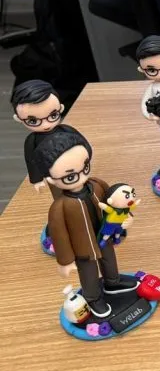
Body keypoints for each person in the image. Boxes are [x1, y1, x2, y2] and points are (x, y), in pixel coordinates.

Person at [39, 129, 138, 318]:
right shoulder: (60, 207)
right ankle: (92, 298)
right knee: (88, 273)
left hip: (104, 235)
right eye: (70, 176)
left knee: (109, 260)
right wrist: (65, 261)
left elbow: (117, 203)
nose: (81, 176)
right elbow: (59, 235)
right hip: (82, 248)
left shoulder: (97, 184)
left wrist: (127, 217)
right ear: (51, 179)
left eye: (85, 167)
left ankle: (113, 282)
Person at [12, 79, 76, 197]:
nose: (46, 125)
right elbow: (31, 161)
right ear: (18, 119)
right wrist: (37, 180)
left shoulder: (66, 130)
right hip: (51, 175)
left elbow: (82, 143)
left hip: (75, 168)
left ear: (61, 108)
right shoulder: (32, 141)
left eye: (53, 115)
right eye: (33, 121)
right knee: (60, 197)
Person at [98, 183, 138, 247]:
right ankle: (103, 240)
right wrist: (103, 206)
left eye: (133, 195)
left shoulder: (126, 209)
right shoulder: (114, 210)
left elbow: (132, 208)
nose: (131, 199)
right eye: (127, 196)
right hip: (111, 223)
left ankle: (117, 239)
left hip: (121, 224)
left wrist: (130, 219)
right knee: (108, 233)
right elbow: (108, 209)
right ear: (110, 200)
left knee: (118, 232)